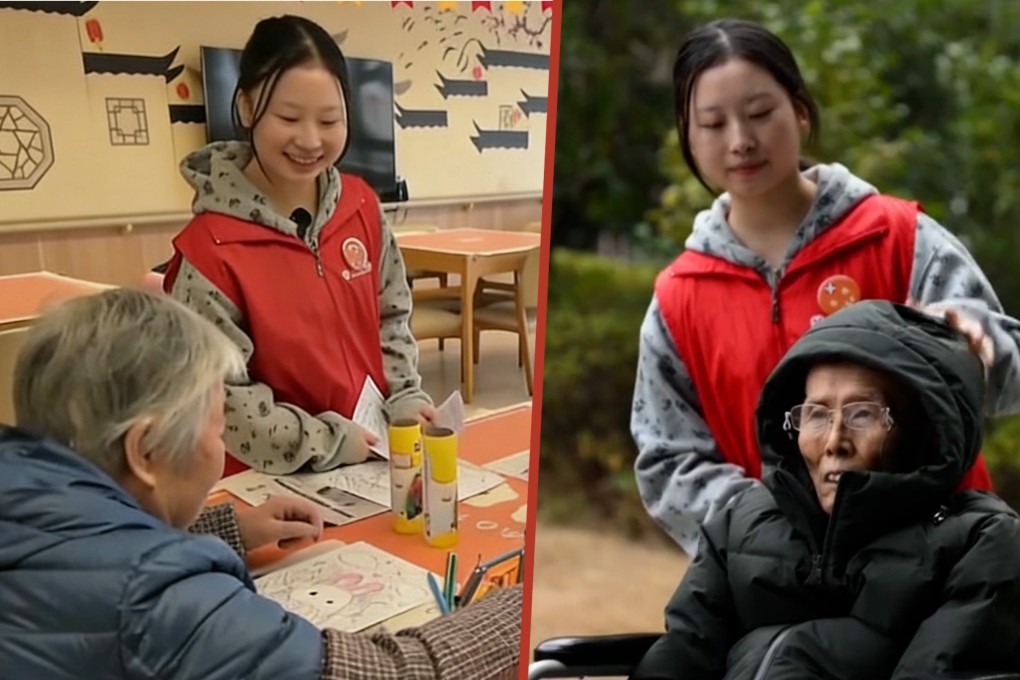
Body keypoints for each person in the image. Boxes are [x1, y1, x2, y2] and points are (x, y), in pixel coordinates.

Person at [632, 17, 1020, 555]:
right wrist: (771, 532)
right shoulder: (680, 298)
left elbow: (1006, 362)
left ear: (800, 110)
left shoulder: (896, 237)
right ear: (688, 138)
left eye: (760, 113)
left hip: (942, 568)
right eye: (714, 123)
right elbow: (666, 458)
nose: (741, 141)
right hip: (781, 591)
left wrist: (976, 343)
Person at [0, 288, 521, 680]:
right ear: (146, 451)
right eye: (217, 428)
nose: (220, 442)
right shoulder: (159, 604)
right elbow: (400, 672)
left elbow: (83, 555)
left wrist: (227, 530)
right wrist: (528, 602)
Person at [630, 300, 1020, 680]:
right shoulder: (741, 524)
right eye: (816, 414)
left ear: (921, 430)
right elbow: (684, 652)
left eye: (862, 414)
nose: (834, 441)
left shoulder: (978, 543)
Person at [163, 15, 435, 477]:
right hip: (269, 485)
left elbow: (391, 314)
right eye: (289, 118)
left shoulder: (360, 207)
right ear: (247, 107)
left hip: (373, 463)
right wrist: (326, 442)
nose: (310, 140)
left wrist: (405, 394)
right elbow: (223, 399)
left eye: (329, 120)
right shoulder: (210, 250)